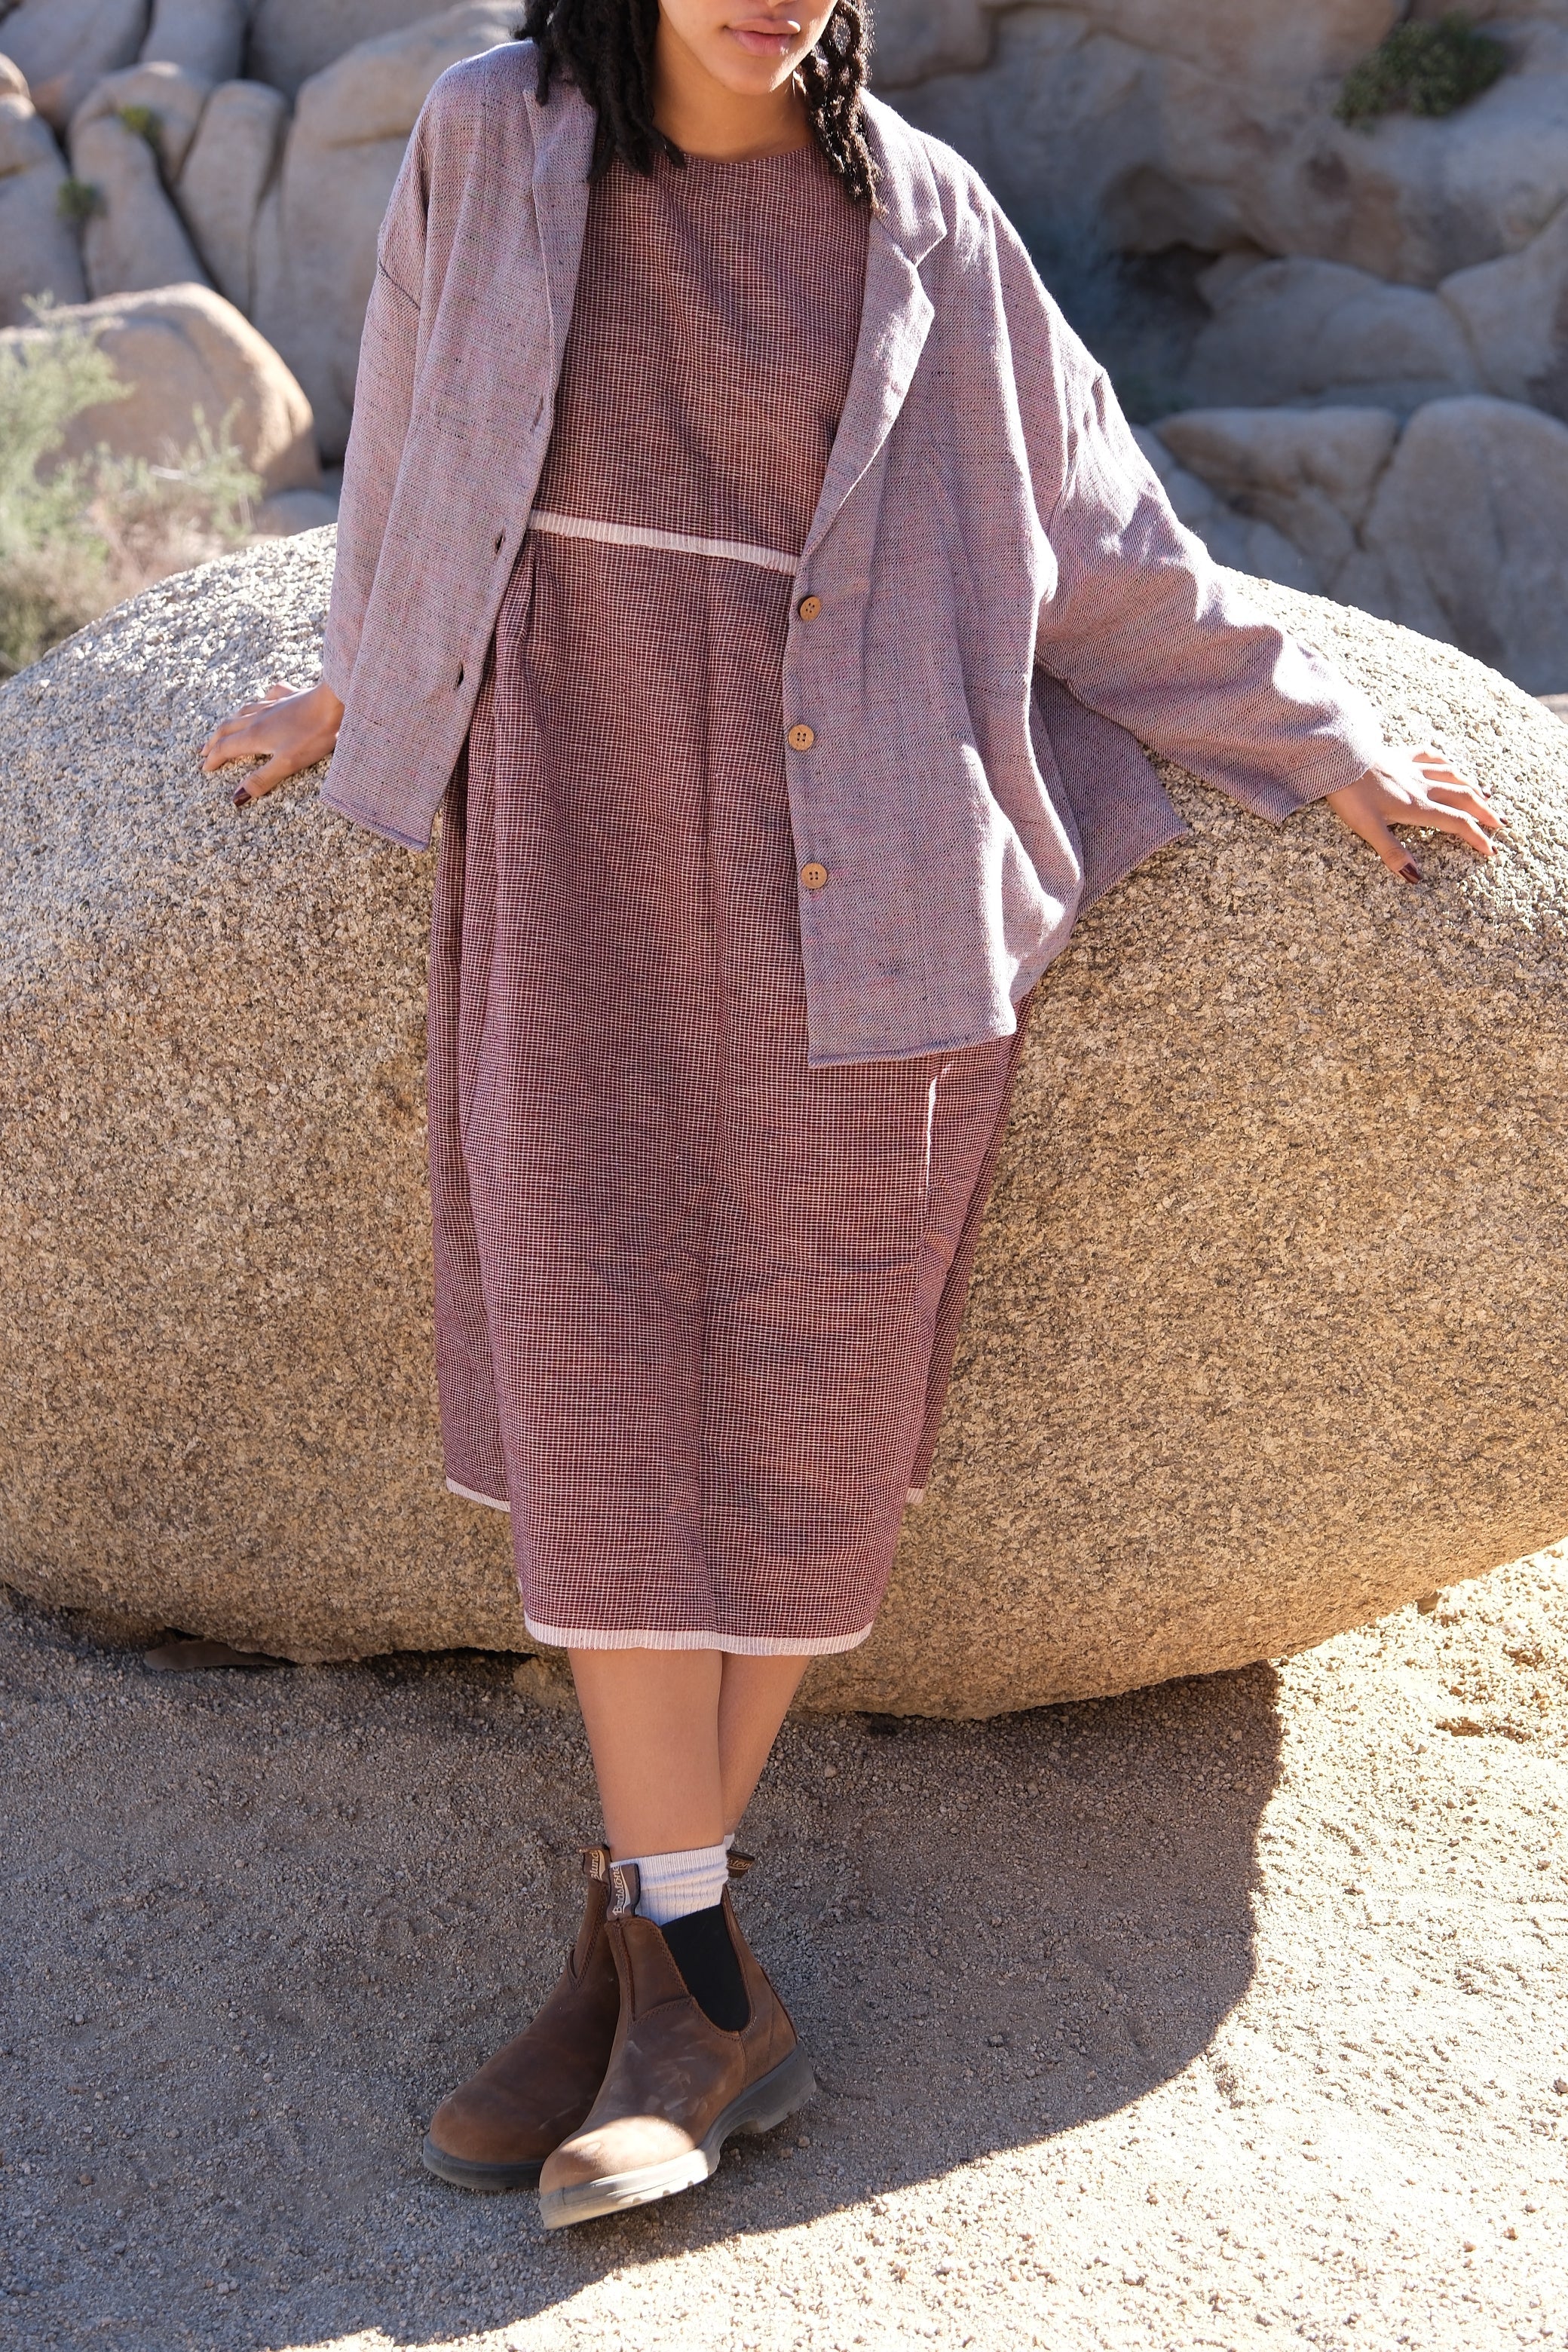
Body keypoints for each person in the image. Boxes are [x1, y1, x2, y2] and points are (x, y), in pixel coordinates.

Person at [201, 0, 1501, 2231]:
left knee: (804, 1385)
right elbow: (411, 414)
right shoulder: (493, 136)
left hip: (861, 858)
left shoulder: (927, 217)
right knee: (599, 1374)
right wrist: (366, 669)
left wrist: (1319, 739)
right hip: (579, 825)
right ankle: (695, 1971)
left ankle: (658, 1962)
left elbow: (1099, 526)